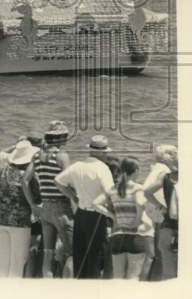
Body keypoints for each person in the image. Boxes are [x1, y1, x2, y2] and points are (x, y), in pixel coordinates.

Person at [55, 134, 114, 279]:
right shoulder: (102, 168)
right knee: (95, 255)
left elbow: (58, 181)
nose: (106, 154)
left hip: (81, 214)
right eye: (105, 152)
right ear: (101, 152)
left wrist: (73, 196)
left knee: (80, 255)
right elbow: (109, 192)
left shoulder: (77, 166)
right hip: (96, 215)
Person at [23, 120, 73, 278]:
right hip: (61, 208)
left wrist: (32, 205)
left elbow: (24, 180)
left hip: (45, 209)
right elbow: (68, 183)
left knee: (48, 254)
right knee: (71, 253)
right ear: (61, 138)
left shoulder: (37, 156)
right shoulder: (62, 156)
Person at [94, 157, 154, 280]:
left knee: (117, 276)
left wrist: (113, 216)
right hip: (135, 236)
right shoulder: (137, 188)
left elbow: (95, 204)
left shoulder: (113, 189)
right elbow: (139, 202)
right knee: (133, 276)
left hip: (117, 235)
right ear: (136, 170)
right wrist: (137, 221)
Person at [0, 138, 39, 278]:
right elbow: (37, 197)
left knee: (3, 262)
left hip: (1, 218)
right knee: (17, 263)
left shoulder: (4, 170)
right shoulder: (29, 175)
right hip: (20, 220)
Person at [143, 149, 178, 281]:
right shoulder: (165, 173)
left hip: (165, 223)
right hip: (173, 222)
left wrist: (162, 207)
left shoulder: (164, 175)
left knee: (167, 267)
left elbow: (146, 192)